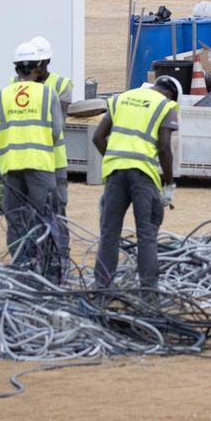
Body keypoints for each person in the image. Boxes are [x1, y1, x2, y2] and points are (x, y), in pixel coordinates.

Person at [0, 41, 63, 278]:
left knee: (16, 219)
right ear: (38, 67)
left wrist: (6, 149)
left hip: (11, 166)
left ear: (16, 68)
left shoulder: (2, 95)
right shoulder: (47, 93)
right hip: (40, 164)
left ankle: (21, 269)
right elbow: (57, 129)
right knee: (44, 217)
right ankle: (48, 272)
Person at [92, 74, 180, 291]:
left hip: (115, 173)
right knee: (147, 234)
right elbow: (164, 148)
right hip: (143, 175)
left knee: (109, 234)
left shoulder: (122, 98)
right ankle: (149, 293)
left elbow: (97, 137)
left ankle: (102, 289)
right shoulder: (165, 105)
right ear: (171, 94)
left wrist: (116, 159)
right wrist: (169, 185)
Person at [28, 35, 74, 268]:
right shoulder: (14, 86)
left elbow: (57, 124)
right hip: (27, 160)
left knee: (57, 209)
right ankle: (32, 257)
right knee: (28, 212)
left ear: (46, 62)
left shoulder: (61, 85)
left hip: (53, 160)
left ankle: (59, 257)